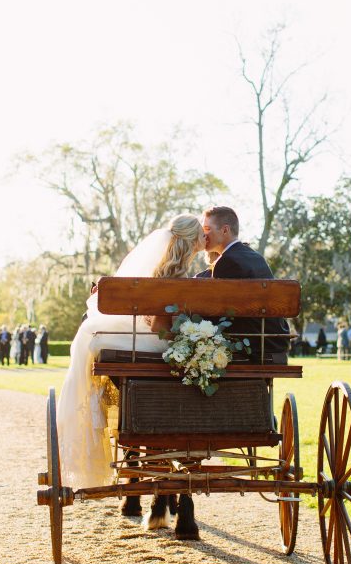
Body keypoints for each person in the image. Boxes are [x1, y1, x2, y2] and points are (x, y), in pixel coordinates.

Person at [57, 214, 206, 493]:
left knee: (100, 334)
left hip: (151, 340)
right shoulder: (187, 277)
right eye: (201, 235)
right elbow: (161, 324)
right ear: (192, 240)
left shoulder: (156, 271)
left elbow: (150, 320)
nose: (205, 239)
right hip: (165, 343)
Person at [201, 206, 290, 362]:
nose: (204, 234)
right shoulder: (254, 256)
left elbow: (218, 313)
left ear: (225, 230)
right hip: (275, 342)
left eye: (207, 228)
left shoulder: (227, 262)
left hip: (256, 347)